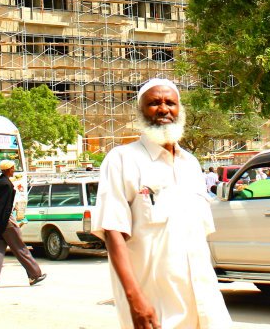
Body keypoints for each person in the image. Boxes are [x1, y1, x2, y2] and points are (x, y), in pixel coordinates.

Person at [92, 78, 232, 329]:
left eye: (170, 103)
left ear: (180, 110)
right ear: (141, 111)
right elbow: (113, 232)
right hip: (156, 306)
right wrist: (135, 300)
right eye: (154, 103)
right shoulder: (122, 160)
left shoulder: (190, 164)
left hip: (204, 302)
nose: (164, 109)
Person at [0, 159, 46, 290]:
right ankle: (35, 274)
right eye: (12, 168)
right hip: (6, 221)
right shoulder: (6, 185)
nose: (13, 170)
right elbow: (0, 206)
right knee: (20, 248)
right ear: (7, 170)